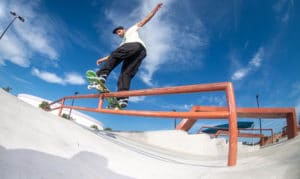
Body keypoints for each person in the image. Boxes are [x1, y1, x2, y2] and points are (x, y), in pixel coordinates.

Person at [95, 3, 163, 108]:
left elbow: (144, 21)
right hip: (141, 52)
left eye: (119, 31)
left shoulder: (131, 30)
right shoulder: (122, 43)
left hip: (135, 46)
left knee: (116, 54)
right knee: (126, 74)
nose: (118, 33)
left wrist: (154, 10)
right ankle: (123, 98)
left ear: (124, 29)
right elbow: (113, 56)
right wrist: (102, 59)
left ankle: (101, 75)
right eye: (117, 33)